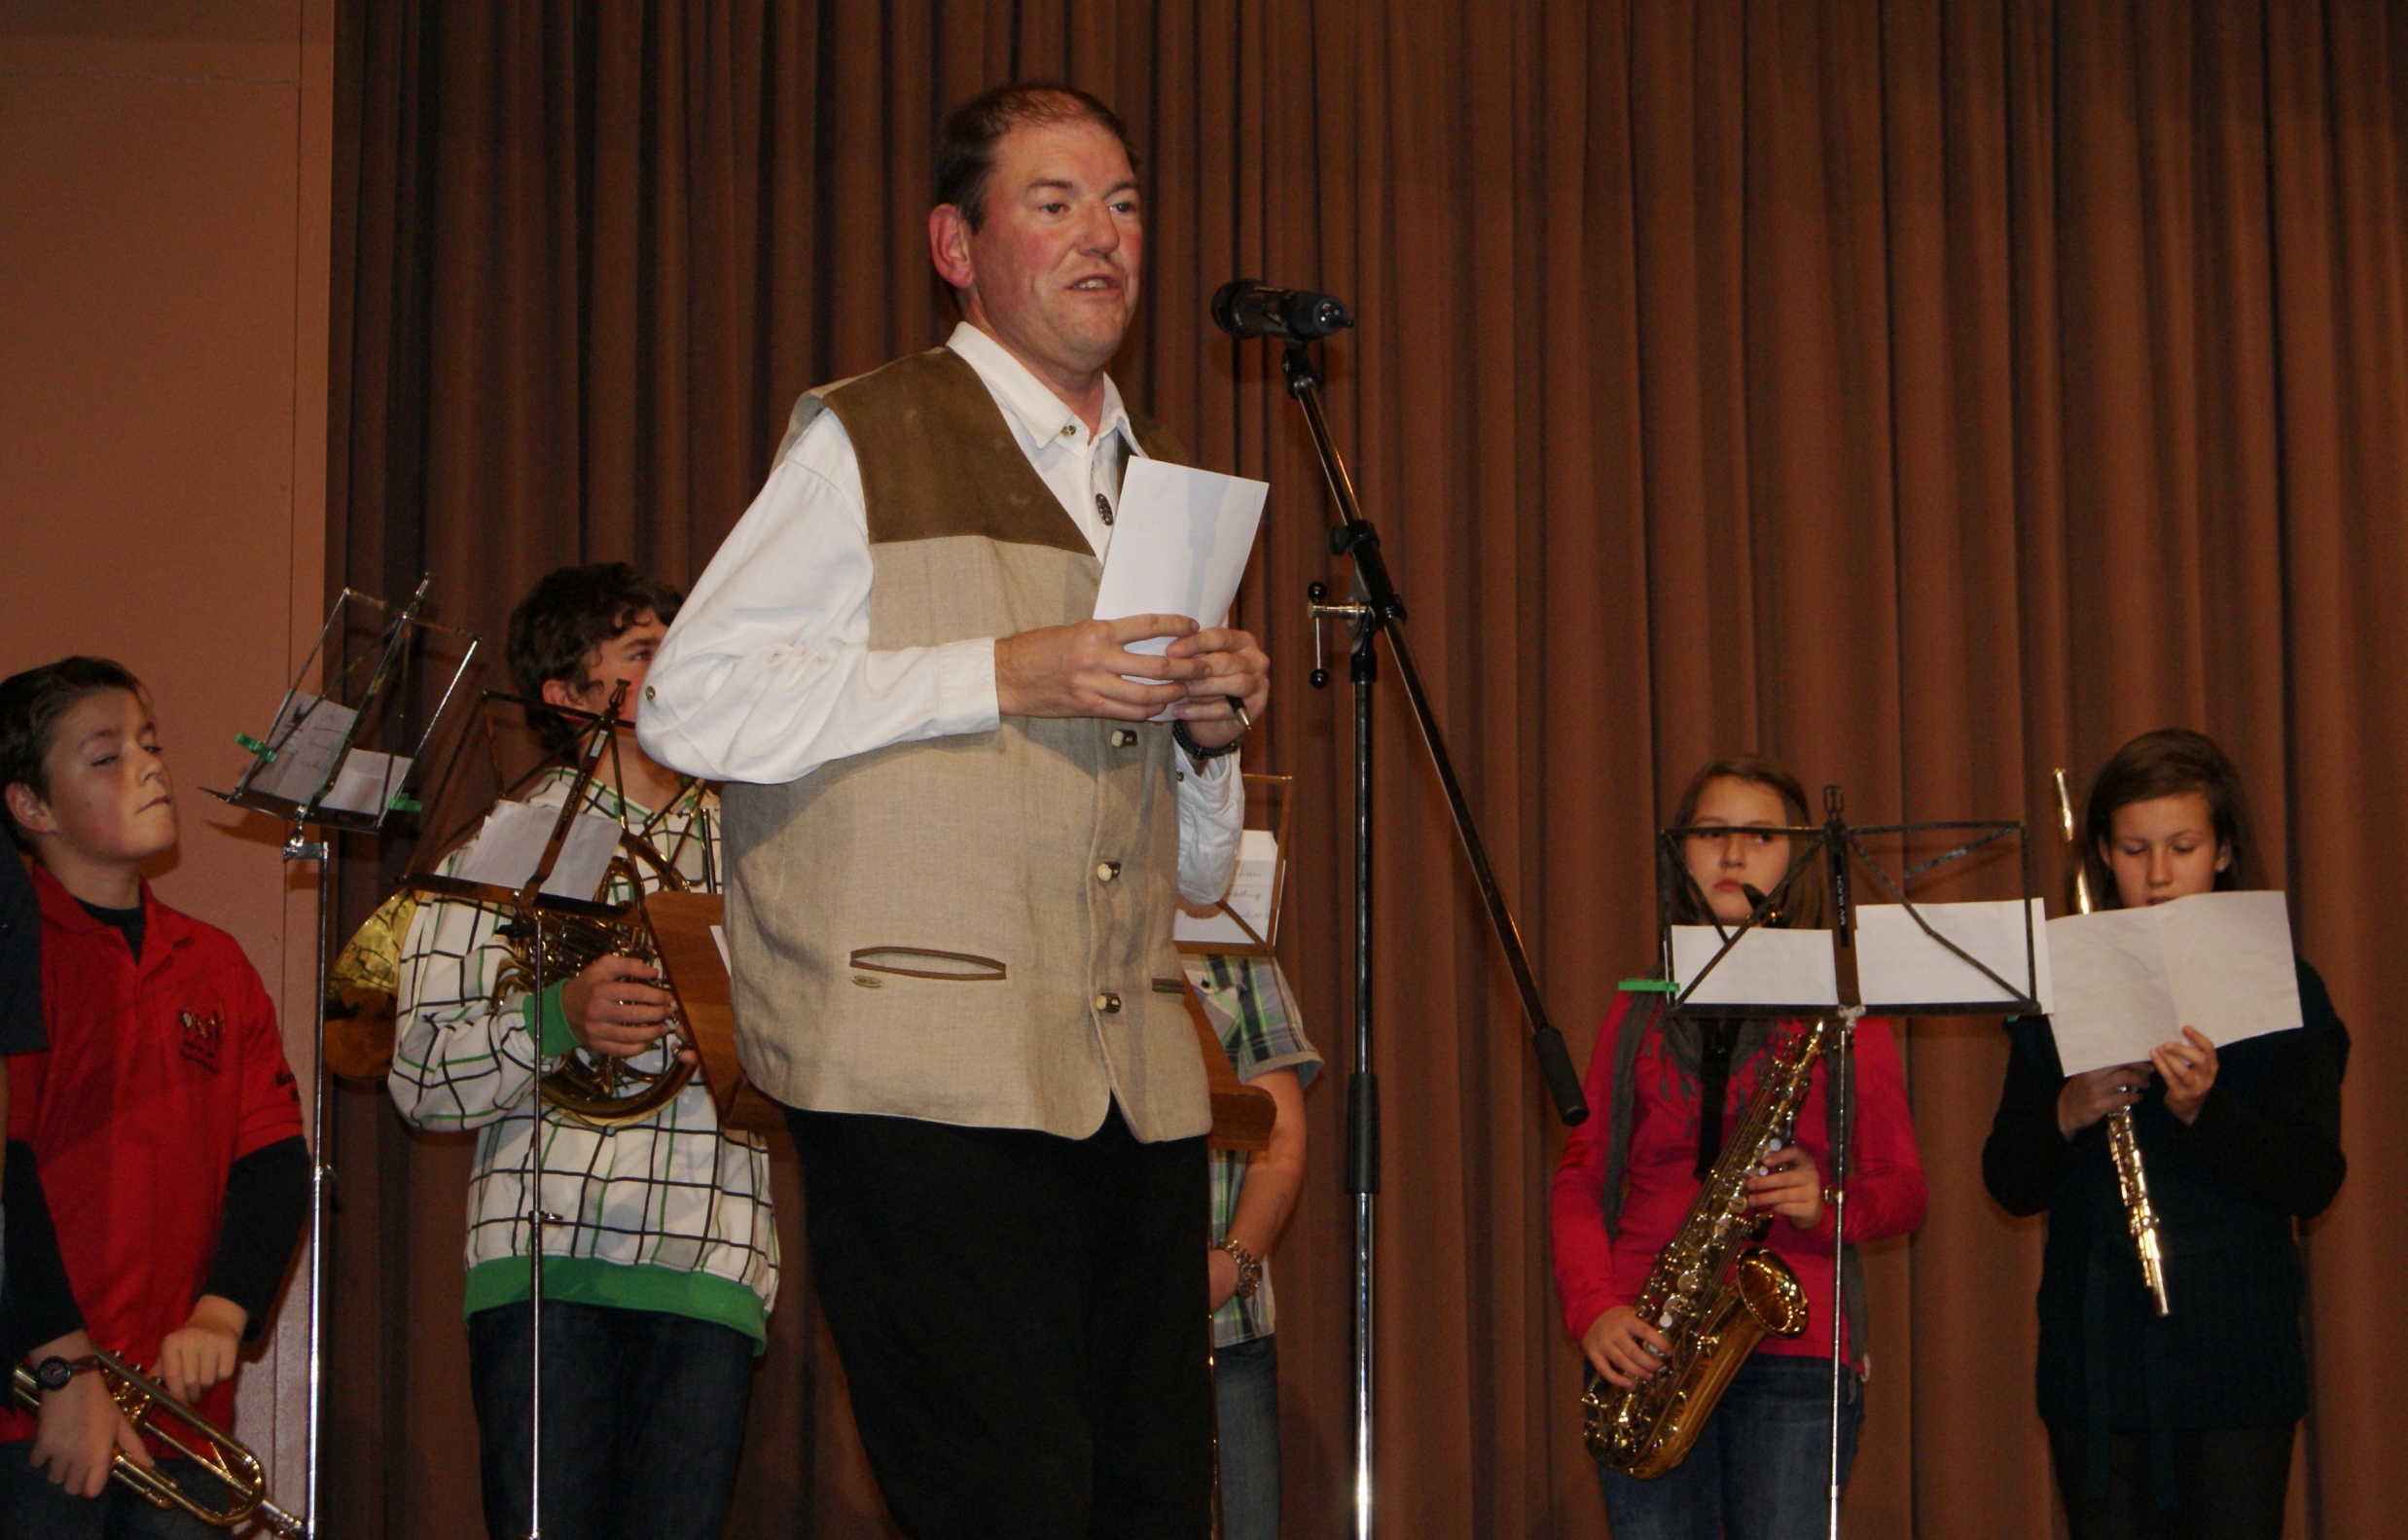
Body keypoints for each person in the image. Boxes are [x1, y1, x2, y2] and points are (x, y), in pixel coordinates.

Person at [637, 81, 1269, 1538]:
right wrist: (998, 670)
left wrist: (1208, 735)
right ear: (956, 246)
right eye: (1054, 203)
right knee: (1004, 1502)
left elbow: (1196, 874)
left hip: (1130, 1076)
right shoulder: (869, 434)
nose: (1103, 236)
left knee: (1151, 1506)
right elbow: (687, 703)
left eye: (1122, 205)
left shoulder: (1158, 487)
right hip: (919, 1069)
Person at [388, 564, 776, 1540]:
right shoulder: (500, 848)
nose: (680, 666)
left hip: (709, 1256)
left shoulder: (758, 845)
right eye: (644, 652)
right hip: (545, 1262)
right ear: (566, 695)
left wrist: (735, 1024)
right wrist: (559, 1017)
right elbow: (419, 1076)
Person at [1550, 756, 1927, 1540]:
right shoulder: (1640, 1002)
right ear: (1679, 852)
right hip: (1644, 1340)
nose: (1731, 853)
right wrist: (1595, 1310)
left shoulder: (1841, 1008)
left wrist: (1825, 1202)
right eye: (1710, 833)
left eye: (1760, 835)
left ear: (1799, 859)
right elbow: (1582, 1175)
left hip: (1796, 1344)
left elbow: (1903, 1190)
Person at [1983, 730, 2346, 1540]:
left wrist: (2205, 1113)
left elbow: (2313, 1177)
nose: (2156, 875)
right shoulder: (2058, 987)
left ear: (2223, 851)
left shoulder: (2284, 985)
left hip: (2235, 1358)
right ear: (2100, 854)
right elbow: (2007, 1178)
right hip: (2096, 1361)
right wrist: (2066, 1111)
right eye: (2132, 849)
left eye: (2182, 847)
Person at [0, 657, 311, 1534]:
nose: (148, 768)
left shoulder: (215, 963)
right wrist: (62, 1367)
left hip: (180, 1425)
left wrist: (223, 1308)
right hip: (33, 1419)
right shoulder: (22, 953)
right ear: (31, 806)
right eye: (106, 756)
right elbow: (7, 1172)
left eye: (150, 744)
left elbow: (273, 1163)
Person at [1188, 953, 1315, 1540]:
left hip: (1227, 1328)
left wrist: (1230, 1264)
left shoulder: (1235, 952)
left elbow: (1280, 1135)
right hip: (1084, 1330)